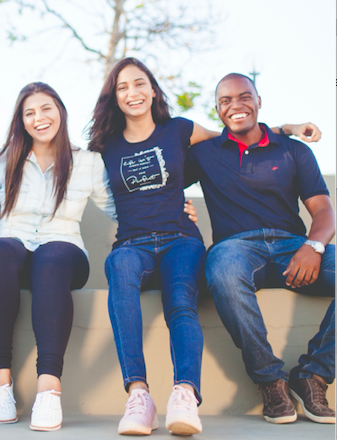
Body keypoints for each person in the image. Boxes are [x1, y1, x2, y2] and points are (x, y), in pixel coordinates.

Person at [86, 57, 317, 436]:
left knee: (180, 299)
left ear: (153, 89)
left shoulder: (180, 130)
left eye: (140, 83)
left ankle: (185, 394)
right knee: (120, 271)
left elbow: (236, 135)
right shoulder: (104, 146)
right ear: (113, 96)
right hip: (132, 243)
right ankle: (138, 395)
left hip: (181, 239)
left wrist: (287, 128)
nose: (133, 93)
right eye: (123, 87)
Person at [0, 82, 121, 431]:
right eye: (29, 112)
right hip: (13, 250)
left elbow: (118, 209)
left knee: (51, 258)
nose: (39, 118)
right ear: (21, 121)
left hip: (64, 252)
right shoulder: (3, 162)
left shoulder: (88, 163)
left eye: (46, 108)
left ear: (60, 111)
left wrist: (169, 213)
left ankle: (49, 388)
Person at [186, 73, 334, 425]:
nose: (235, 106)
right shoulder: (204, 153)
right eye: (225, 101)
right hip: (235, 249)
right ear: (217, 110)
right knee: (221, 271)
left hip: (294, 248)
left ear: (258, 101)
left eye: (244, 97)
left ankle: (313, 374)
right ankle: (270, 381)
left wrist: (313, 246)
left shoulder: (294, 150)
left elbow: (324, 210)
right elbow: (162, 160)